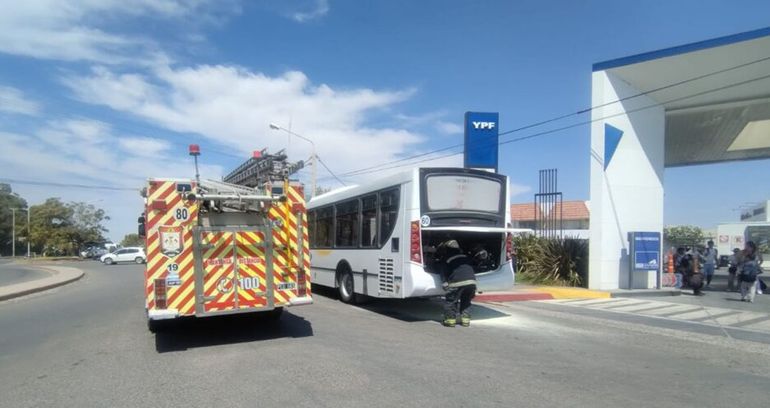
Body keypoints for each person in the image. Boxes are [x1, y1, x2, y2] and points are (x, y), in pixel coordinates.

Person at [435, 239, 477, 327]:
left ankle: (450, 320)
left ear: (446, 249)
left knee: (451, 301)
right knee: (466, 301)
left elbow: (443, 272)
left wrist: (445, 282)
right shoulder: (465, 257)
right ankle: (465, 321)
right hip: (472, 283)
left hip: (457, 283)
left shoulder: (447, 258)